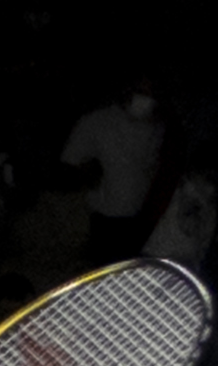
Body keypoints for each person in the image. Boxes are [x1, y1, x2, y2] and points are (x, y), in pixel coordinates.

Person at [61, 81, 168, 265]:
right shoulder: (96, 121)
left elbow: (151, 170)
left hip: (137, 222)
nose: (145, 98)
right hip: (99, 221)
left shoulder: (157, 128)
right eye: (140, 91)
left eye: (151, 93)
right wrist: (88, 176)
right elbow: (68, 165)